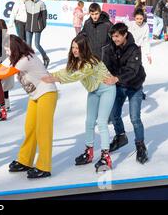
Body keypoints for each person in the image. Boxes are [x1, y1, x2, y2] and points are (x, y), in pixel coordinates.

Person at [0, 35, 58, 179]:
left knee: (43, 130)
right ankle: (25, 161)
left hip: (47, 93)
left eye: (7, 49)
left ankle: (44, 166)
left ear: (15, 48)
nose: (6, 52)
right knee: (30, 128)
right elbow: (0, 68)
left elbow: (5, 73)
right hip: (36, 95)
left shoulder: (26, 59)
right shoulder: (16, 58)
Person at [42, 35, 116, 172]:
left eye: (78, 48)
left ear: (84, 48)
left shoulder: (91, 62)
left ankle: (106, 156)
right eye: (73, 47)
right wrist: (49, 74)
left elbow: (75, 76)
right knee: (89, 122)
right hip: (94, 91)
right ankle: (89, 151)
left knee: (101, 122)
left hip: (107, 89)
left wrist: (55, 79)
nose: (75, 50)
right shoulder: (77, 60)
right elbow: (67, 71)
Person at [102, 23, 148, 164]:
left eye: (117, 36)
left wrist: (116, 78)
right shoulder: (109, 49)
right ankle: (120, 136)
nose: (114, 39)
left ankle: (140, 145)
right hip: (119, 86)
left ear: (125, 35)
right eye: (112, 36)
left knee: (135, 118)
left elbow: (132, 70)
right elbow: (105, 67)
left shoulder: (134, 49)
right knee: (114, 114)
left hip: (134, 86)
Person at [25, 0, 50, 68]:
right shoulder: (27, 3)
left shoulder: (41, 3)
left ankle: (45, 58)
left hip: (37, 27)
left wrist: (42, 26)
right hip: (29, 27)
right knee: (28, 46)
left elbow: (44, 16)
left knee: (37, 44)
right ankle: (30, 62)